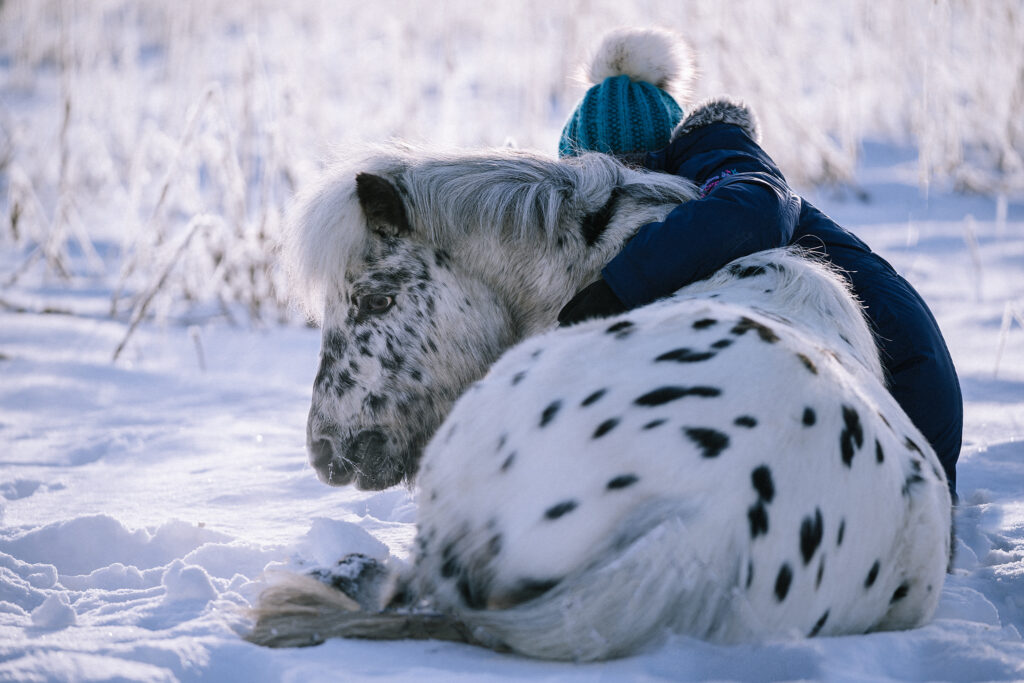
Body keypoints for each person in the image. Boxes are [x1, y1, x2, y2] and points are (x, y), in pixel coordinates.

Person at [556, 28, 963, 500]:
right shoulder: (702, 179)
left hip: (904, 396)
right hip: (872, 400)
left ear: (644, 166)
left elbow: (756, 208)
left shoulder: (722, 158)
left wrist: (621, 286)